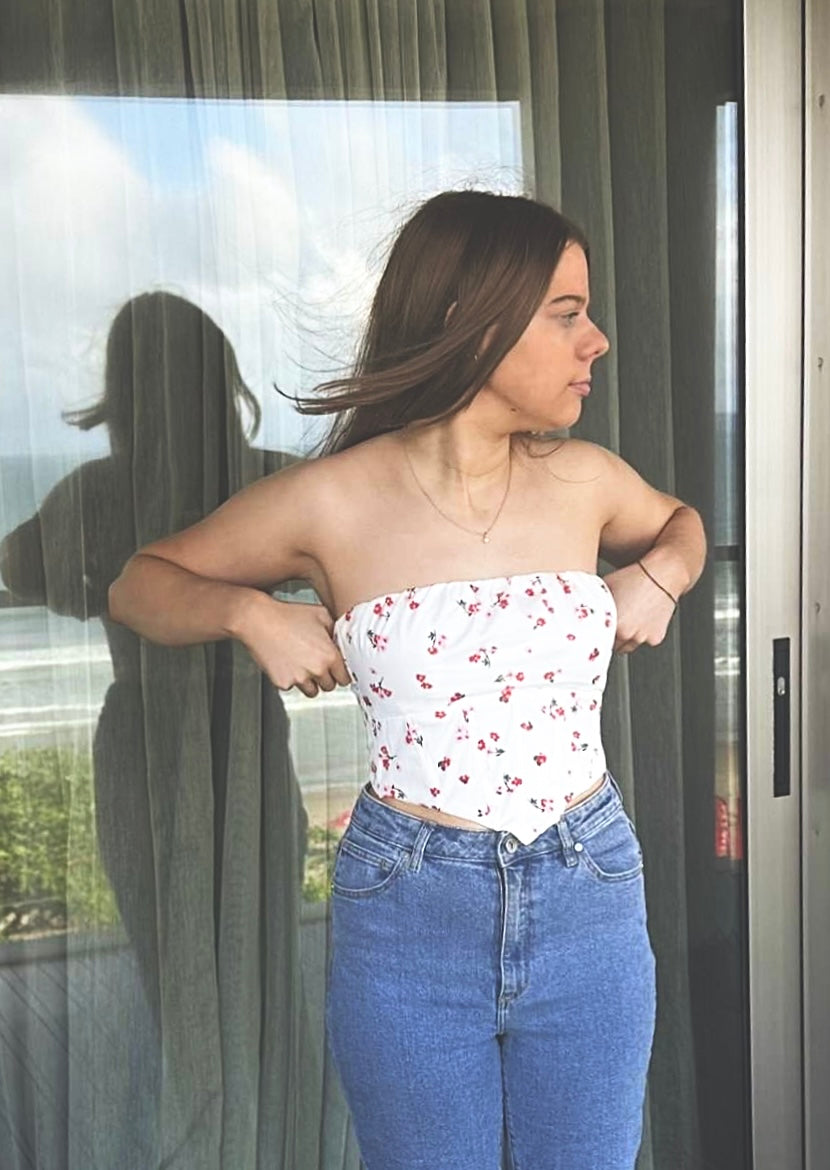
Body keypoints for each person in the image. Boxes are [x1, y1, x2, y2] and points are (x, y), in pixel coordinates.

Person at [108, 190, 707, 1170]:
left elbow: (682, 521)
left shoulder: (588, 480)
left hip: (587, 890)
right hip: (410, 909)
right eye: (566, 313)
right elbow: (140, 582)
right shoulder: (329, 501)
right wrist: (249, 613)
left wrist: (663, 575)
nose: (595, 340)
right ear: (471, 320)